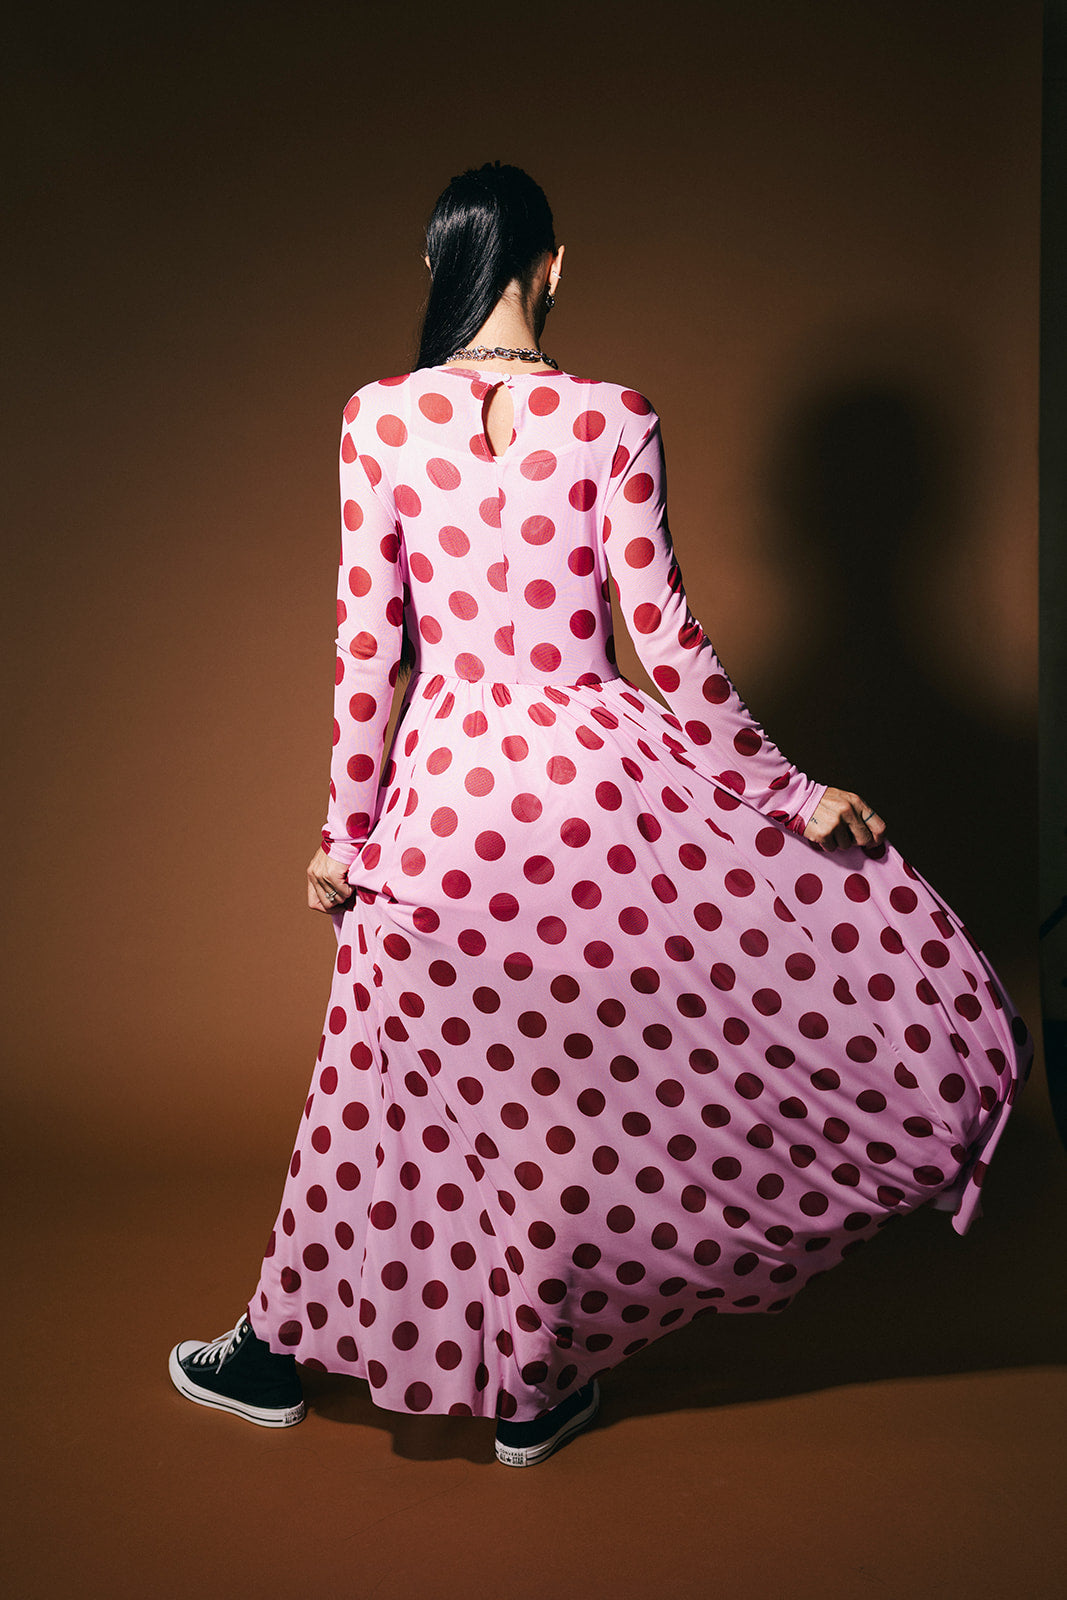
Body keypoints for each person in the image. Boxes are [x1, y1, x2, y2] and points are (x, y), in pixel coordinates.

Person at [170, 162, 1033, 1467]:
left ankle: (294, 1353)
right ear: (554, 268)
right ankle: (522, 1389)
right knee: (564, 1093)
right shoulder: (614, 416)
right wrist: (794, 798)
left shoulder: (378, 420)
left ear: (440, 270)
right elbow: (670, 647)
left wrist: (344, 834)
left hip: (449, 793)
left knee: (410, 1081)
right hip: (594, 794)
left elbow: (368, 649)